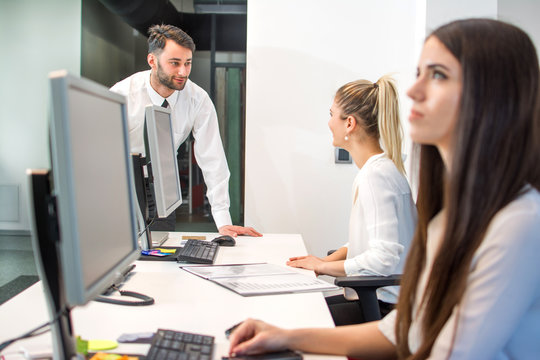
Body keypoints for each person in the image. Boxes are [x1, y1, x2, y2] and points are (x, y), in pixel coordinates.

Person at [228, 18, 540, 359]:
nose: (412, 91)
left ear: (491, 94)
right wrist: (284, 336)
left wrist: (321, 266)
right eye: (419, 73)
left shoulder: (520, 224)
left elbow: (449, 351)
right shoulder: (448, 220)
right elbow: (405, 331)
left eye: (437, 75)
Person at [286, 76, 417, 324]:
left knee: (297, 319)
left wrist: (323, 268)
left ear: (349, 124)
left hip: (382, 311)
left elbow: (383, 256)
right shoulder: (384, 169)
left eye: (331, 114)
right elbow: (370, 241)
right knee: (301, 304)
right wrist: (321, 261)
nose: (328, 122)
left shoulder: (375, 177)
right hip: (382, 302)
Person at [111, 24, 261, 237]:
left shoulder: (197, 99)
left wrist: (222, 219)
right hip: (123, 181)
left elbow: (212, 157)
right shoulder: (123, 94)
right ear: (152, 61)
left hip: (163, 182)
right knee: (123, 253)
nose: (183, 72)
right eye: (174, 63)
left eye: (187, 63)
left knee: (160, 249)